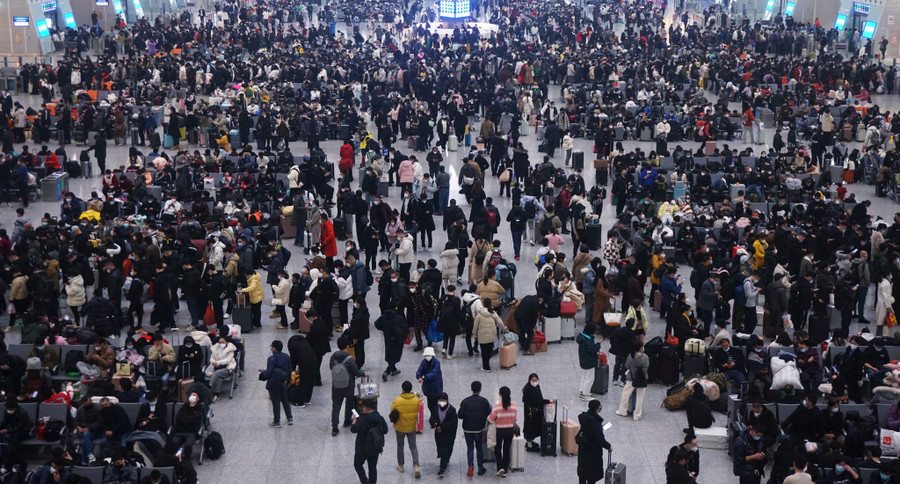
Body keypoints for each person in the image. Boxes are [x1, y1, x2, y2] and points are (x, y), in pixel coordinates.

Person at [330, 336, 366, 436]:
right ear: (347, 346)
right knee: (349, 403)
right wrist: (363, 374)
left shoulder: (333, 357)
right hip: (348, 385)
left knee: (336, 405)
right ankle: (347, 421)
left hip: (336, 385)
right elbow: (357, 372)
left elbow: (331, 368)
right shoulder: (349, 359)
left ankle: (334, 427)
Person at [351, 398, 388, 484]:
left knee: (358, 464)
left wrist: (354, 420)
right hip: (375, 446)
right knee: (372, 467)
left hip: (362, 447)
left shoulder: (362, 420)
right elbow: (385, 430)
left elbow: (353, 429)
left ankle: (364, 481)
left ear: (366, 409)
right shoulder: (380, 418)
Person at [458, 381, 492, 477]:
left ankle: (470, 466)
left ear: (471, 389)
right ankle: (480, 467)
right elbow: (489, 414)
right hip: (479, 429)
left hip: (467, 429)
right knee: (479, 448)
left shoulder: (465, 401)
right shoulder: (484, 401)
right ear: (480, 389)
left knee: (470, 448)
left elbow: (460, 415)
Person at [389, 380, 422, 478]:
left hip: (400, 427)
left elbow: (392, 410)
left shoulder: (397, 400)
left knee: (400, 445)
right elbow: (417, 410)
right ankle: (416, 466)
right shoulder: (416, 400)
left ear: (402, 389)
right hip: (411, 427)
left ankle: (401, 466)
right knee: (413, 446)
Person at [259, 340, 293, 427]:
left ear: (274, 348)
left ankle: (277, 421)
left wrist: (262, 374)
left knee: (276, 402)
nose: (271, 348)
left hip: (274, 383)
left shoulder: (271, 359)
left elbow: (269, 372)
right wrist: (288, 381)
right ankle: (289, 418)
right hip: (284, 382)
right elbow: (289, 370)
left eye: (271, 346)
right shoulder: (286, 357)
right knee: (285, 400)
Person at [577, 399, 612, 484]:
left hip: (583, 450)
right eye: (599, 407)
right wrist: (609, 446)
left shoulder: (585, 417)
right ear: (596, 409)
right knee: (591, 475)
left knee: (583, 473)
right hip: (592, 452)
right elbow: (599, 439)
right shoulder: (594, 424)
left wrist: (598, 425)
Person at [487, 386, 518, 477]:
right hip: (509, 430)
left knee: (498, 449)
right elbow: (515, 419)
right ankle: (505, 469)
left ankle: (500, 467)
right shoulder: (514, 406)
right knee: (506, 449)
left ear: (500, 395)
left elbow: (490, 419)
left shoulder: (497, 407)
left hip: (499, 430)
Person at [616, 342, 649, 421]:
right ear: (641, 347)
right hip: (642, 379)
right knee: (640, 397)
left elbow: (627, 366)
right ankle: (637, 415)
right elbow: (647, 366)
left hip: (631, 378)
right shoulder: (645, 357)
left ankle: (623, 410)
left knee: (625, 394)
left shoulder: (631, 356)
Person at [472, 298, 507, 372]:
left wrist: (474, 334)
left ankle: (486, 367)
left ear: (483, 304)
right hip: (492, 335)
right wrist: (504, 328)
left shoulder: (479, 313)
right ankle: (487, 364)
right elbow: (499, 321)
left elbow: (475, 325)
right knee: (489, 350)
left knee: (484, 352)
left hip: (482, 336)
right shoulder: (493, 312)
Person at [374, 308, 408, 381]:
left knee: (389, 354)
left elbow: (377, 324)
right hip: (397, 340)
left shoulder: (383, 317)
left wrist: (383, 329)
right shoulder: (398, 318)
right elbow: (405, 328)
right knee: (396, 355)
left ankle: (394, 369)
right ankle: (387, 371)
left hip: (388, 339)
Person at [429, 392, 458, 478]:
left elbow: (453, 424)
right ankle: (445, 459)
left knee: (446, 449)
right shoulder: (436, 408)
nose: (442, 402)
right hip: (438, 433)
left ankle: (442, 468)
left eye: (443, 400)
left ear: (447, 400)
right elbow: (432, 418)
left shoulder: (452, 411)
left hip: (449, 434)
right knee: (441, 448)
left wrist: (442, 427)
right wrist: (435, 424)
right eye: (440, 400)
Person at [522, 373, 552, 452]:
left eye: (536, 380)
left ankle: (530, 442)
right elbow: (529, 402)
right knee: (530, 428)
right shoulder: (527, 390)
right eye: (533, 380)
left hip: (537, 412)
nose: (535, 382)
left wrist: (547, 401)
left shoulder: (537, 387)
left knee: (535, 427)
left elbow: (539, 399)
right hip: (531, 413)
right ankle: (529, 444)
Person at [576, 323, 603, 400]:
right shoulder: (588, 340)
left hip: (583, 360)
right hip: (589, 361)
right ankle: (586, 395)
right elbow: (593, 350)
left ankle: (582, 391)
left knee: (584, 376)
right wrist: (598, 344)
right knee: (589, 378)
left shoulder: (581, 337)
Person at [416, 347, 444, 416]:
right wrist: (419, 376)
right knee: (430, 405)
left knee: (435, 404)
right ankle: (434, 416)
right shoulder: (424, 362)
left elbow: (434, 373)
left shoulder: (436, 363)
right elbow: (420, 370)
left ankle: (435, 417)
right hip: (428, 387)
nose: (427, 357)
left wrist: (424, 378)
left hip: (436, 387)